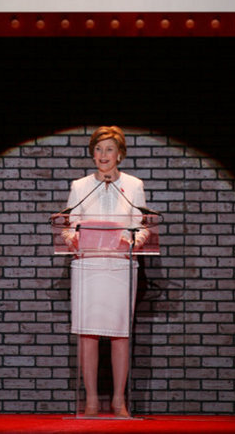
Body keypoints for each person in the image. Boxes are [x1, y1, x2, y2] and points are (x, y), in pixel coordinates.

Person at [63, 126, 149, 418]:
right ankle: (89, 402)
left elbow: (143, 227)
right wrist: (71, 238)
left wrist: (134, 239)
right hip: (88, 265)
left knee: (119, 334)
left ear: (120, 154)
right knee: (87, 335)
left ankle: (118, 401)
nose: (103, 155)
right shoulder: (79, 186)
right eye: (98, 149)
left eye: (109, 149)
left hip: (119, 266)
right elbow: (68, 227)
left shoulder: (134, 185)